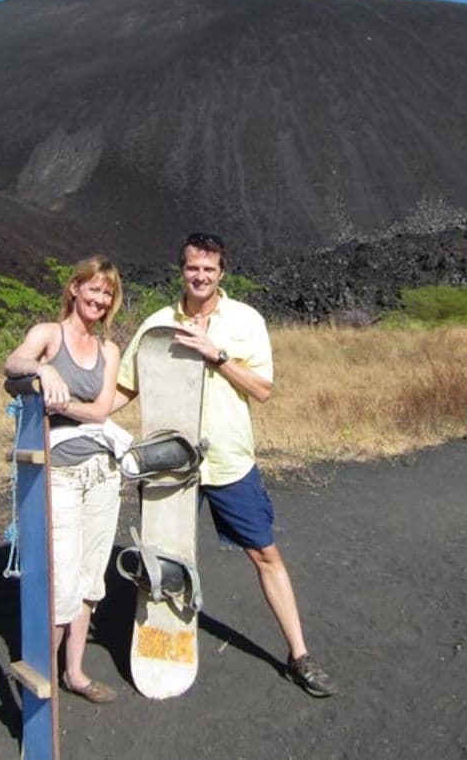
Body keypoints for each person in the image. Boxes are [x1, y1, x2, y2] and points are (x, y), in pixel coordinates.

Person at [114, 233, 338, 697]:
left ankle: (300, 656)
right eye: (193, 268)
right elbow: (125, 389)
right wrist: (70, 412)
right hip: (172, 469)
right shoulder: (157, 325)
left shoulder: (245, 321)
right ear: (182, 270)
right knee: (162, 558)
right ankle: (160, 646)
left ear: (221, 273)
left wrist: (215, 355)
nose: (200, 276)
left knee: (264, 553)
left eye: (209, 270)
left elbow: (262, 389)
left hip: (229, 461)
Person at [4, 255, 126, 704]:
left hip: (102, 473)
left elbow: (99, 409)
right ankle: (41, 686)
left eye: (107, 292)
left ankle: (75, 673)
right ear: (74, 288)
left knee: (92, 576)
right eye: (92, 288)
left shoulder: (109, 350)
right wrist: (43, 369)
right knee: (61, 581)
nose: (99, 298)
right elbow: (12, 361)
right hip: (61, 475)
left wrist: (62, 405)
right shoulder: (47, 334)